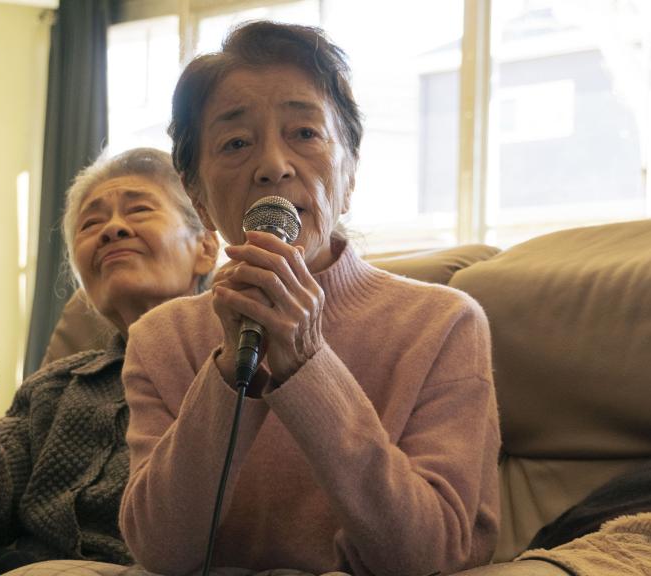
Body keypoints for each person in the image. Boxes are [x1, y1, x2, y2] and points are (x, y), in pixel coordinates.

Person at [118, 21, 500, 576]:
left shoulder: (444, 324)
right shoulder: (159, 338)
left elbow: (431, 551)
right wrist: (229, 372)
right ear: (198, 198)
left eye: (305, 133)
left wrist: (306, 362)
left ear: (348, 177)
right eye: (236, 143)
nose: (273, 165)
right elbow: (160, 551)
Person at [0, 148, 219, 575]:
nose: (113, 229)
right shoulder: (55, 386)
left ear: (206, 247)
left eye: (138, 210)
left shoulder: (236, 373)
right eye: (91, 223)